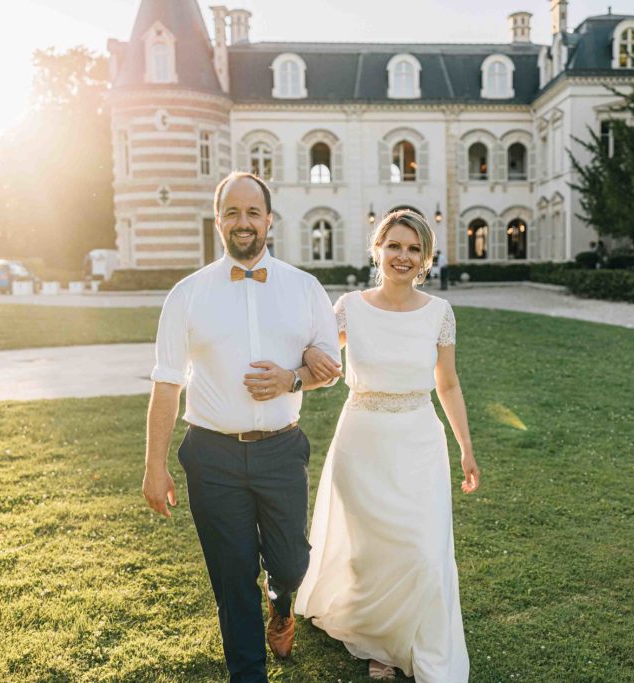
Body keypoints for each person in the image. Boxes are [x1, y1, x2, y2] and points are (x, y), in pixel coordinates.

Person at [142, 171, 342, 683]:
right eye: (232, 212)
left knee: (291, 561)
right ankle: (247, 673)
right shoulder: (186, 295)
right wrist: (154, 466)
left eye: (253, 212)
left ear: (269, 219)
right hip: (212, 456)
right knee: (232, 579)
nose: (243, 222)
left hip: (281, 451)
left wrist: (290, 379)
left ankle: (282, 604)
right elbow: (167, 383)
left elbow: (328, 372)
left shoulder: (305, 288)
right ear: (217, 221)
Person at [296, 210, 481, 682]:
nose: (403, 256)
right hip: (362, 440)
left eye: (414, 248)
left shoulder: (440, 312)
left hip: (419, 440)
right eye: (394, 245)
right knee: (370, 550)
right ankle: (380, 644)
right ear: (377, 249)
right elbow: (319, 369)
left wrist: (466, 446)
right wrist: (291, 376)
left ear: (425, 259)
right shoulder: (349, 309)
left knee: (421, 549)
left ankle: (414, 638)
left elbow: (450, 385)